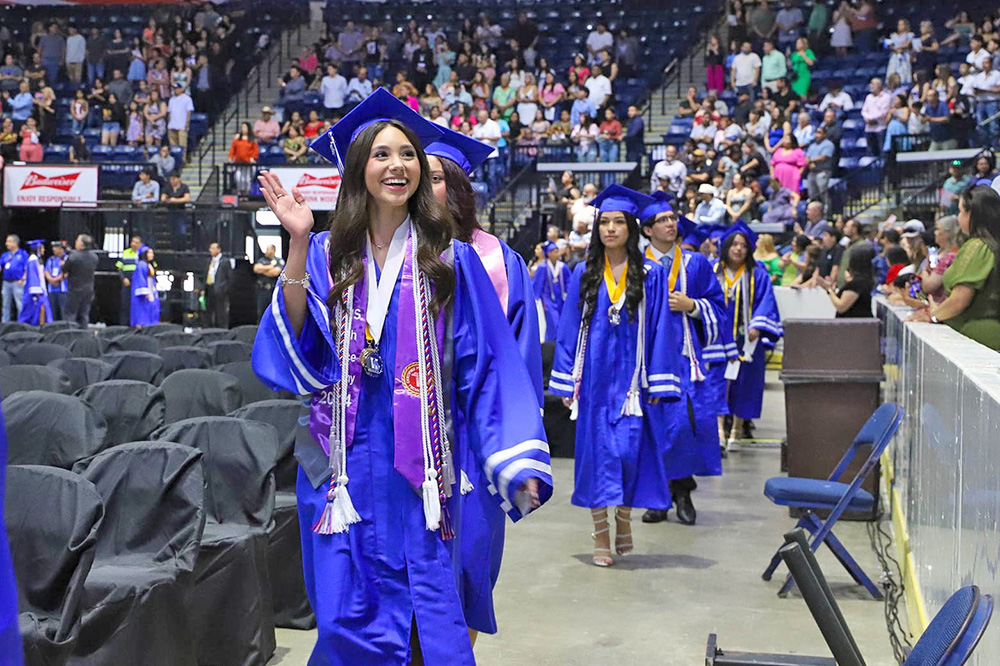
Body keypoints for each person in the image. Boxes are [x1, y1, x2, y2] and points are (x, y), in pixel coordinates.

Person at [255, 87, 551, 662]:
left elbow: (486, 364)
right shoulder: (324, 252)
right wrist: (294, 242)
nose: (399, 165)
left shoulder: (452, 260)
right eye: (383, 154)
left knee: (430, 619)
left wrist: (511, 456)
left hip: (423, 468)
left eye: (409, 154)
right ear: (358, 166)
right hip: (343, 463)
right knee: (344, 619)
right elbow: (297, 341)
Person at [548, 184, 683, 567]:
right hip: (593, 380)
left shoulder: (652, 276)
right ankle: (601, 532)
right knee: (597, 457)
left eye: (618, 222)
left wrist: (658, 380)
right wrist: (565, 382)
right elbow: (569, 327)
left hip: (632, 383)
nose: (610, 229)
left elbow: (660, 328)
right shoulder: (584, 273)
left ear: (631, 228)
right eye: (604, 222)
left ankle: (623, 517)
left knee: (627, 452)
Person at [638, 192, 731, 526]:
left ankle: (683, 492)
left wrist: (691, 306)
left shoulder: (696, 264)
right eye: (662, 220)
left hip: (685, 359)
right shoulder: (636, 266)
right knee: (655, 429)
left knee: (683, 427)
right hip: (648, 359)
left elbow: (719, 309)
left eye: (672, 219)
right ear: (647, 230)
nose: (670, 224)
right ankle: (659, 496)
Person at [714, 223, 782, 452]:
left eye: (743, 245)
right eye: (734, 244)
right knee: (719, 383)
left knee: (745, 385)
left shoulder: (758, 274)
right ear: (725, 246)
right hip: (718, 340)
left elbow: (766, 302)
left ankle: (737, 429)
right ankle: (719, 430)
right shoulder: (714, 271)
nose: (738, 249)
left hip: (747, 342)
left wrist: (757, 325)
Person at [910, 186, 1000, 350]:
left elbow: (959, 300)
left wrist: (933, 315)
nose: (958, 218)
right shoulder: (991, 245)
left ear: (971, 214)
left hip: (978, 336)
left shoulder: (978, 247)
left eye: (960, 211)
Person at [533, 240, 567, 342]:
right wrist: (535, 300)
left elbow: (569, 282)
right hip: (548, 301)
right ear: (549, 254)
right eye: (555, 252)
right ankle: (549, 346)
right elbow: (537, 284)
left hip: (560, 300)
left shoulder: (562, 267)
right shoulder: (543, 267)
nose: (558, 254)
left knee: (561, 322)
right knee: (553, 322)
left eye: (558, 251)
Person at [63, 234, 99, 329]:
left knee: (70, 314)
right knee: (84, 314)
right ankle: (84, 334)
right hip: (89, 289)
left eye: (77, 240)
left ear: (82, 244)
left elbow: (64, 270)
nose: (75, 242)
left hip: (75, 289)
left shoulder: (73, 257)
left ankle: (72, 335)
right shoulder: (94, 257)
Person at [17, 240, 50, 325]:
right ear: (37, 249)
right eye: (42, 248)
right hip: (35, 293)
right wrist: (37, 292)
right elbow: (33, 277)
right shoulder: (32, 260)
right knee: (32, 313)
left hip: (40, 290)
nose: (44, 250)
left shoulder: (36, 260)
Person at [130, 245, 160, 327]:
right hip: (144, 296)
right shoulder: (141, 265)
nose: (152, 255)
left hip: (151, 290)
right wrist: (145, 293)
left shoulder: (149, 265)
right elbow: (140, 279)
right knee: (142, 314)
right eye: (149, 253)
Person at [253, 244, 284, 321]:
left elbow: (275, 272)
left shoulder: (279, 261)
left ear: (273, 250)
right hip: (263, 290)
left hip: (273, 290)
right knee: (261, 312)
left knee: (274, 312)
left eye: (268, 249)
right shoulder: (262, 260)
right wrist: (270, 267)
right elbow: (256, 269)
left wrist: (263, 270)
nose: (266, 251)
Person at [0, 236, 28, 323]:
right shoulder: (5, 255)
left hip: (18, 282)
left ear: (15, 243)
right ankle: (5, 324)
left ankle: (21, 323)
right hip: (6, 283)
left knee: (20, 304)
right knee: (5, 305)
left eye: (8, 241)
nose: (6, 244)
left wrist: (23, 278)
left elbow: (27, 268)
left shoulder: (23, 254)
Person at [204, 241, 231, 329]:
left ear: (218, 250)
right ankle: (208, 326)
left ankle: (221, 327)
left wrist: (224, 288)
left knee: (220, 310)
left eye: (212, 248)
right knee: (209, 309)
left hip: (220, 289)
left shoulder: (225, 261)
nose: (210, 250)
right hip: (209, 287)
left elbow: (229, 277)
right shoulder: (209, 261)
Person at [115, 235, 141, 325]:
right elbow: (119, 268)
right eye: (132, 241)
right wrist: (123, 279)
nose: (133, 244)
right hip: (127, 282)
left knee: (137, 305)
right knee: (125, 304)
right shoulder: (125, 253)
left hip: (138, 283)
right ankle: (124, 325)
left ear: (140, 244)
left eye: (136, 242)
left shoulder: (142, 254)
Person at [861, 78, 891, 158]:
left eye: (872, 84)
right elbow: (864, 111)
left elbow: (883, 112)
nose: (870, 86)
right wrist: (867, 119)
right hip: (869, 129)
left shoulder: (886, 97)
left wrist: (871, 118)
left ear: (879, 85)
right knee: (871, 153)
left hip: (880, 128)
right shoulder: (868, 97)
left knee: (882, 152)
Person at [45, 241, 67, 321]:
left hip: (63, 290)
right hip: (51, 290)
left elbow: (66, 273)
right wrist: (51, 279)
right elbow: (46, 271)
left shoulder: (67, 259)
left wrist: (56, 279)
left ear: (61, 249)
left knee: (63, 312)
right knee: (52, 312)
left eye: (56, 247)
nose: (53, 249)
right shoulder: (51, 259)